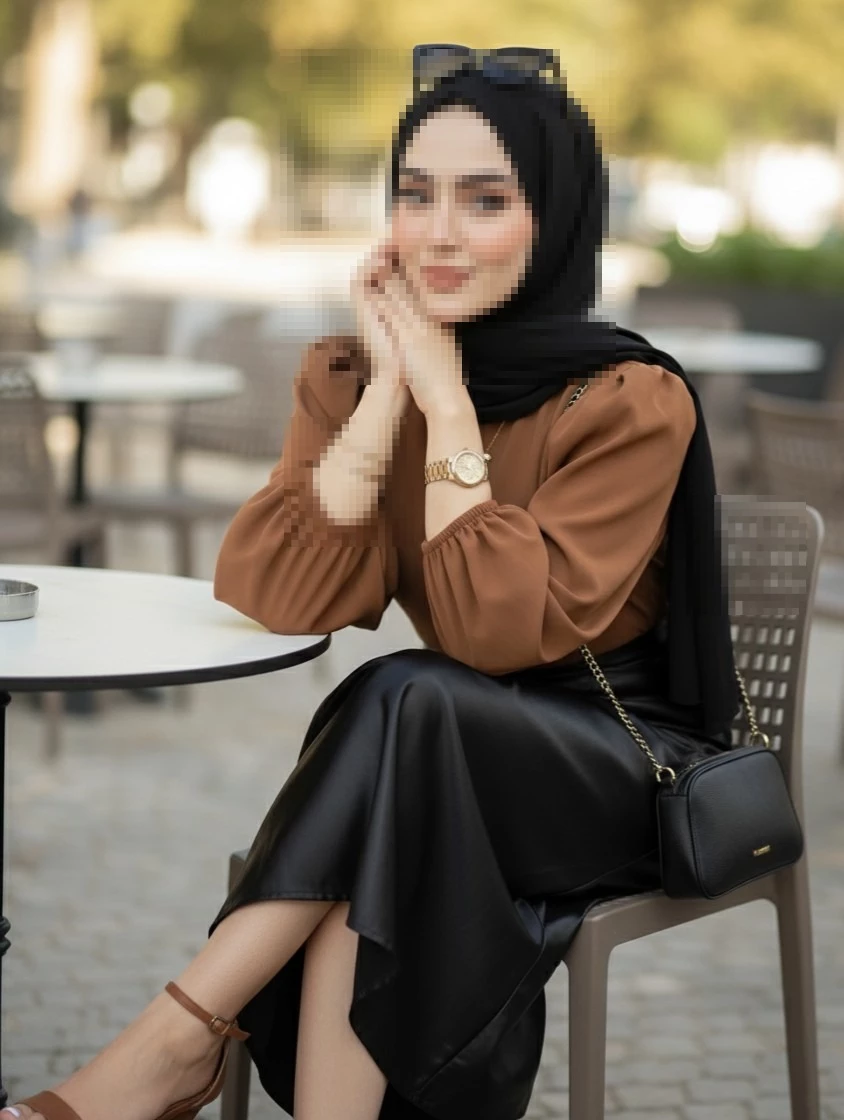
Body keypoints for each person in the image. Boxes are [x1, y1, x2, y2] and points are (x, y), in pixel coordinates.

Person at [6, 46, 741, 1120]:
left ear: (556, 216)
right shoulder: (348, 375)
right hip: (432, 754)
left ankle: (173, 1040)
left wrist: (447, 409)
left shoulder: (629, 398)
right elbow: (278, 591)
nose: (438, 231)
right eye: (414, 193)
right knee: (404, 741)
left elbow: (496, 632)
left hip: (615, 765)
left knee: (403, 697)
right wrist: (390, 394)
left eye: (485, 200)